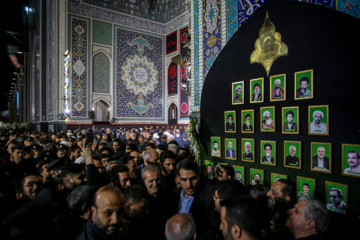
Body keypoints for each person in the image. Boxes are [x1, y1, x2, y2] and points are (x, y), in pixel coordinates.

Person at [174, 159, 219, 240]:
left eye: (193, 179)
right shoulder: (174, 195)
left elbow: (214, 229)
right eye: (184, 179)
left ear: (198, 175)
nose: (189, 185)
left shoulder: (210, 195)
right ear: (178, 178)